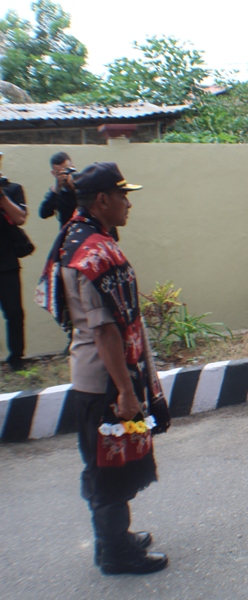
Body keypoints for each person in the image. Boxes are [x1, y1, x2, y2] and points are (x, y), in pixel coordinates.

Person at [35, 162, 170, 575]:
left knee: (118, 460)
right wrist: (127, 393)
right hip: (106, 381)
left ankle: (117, 538)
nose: (128, 204)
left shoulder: (85, 238)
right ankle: (114, 552)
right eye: (123, 196)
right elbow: (105, 331)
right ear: (102, 201)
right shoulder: (90, 253)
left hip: (110, 376)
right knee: (107, 467)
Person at [0, 153, 29, 372]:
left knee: (14, 312)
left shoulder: (12, 189)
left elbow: (20, 218)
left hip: (6, 263)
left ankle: (16, 360)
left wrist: (2, 197)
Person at [39, 151, 78, 228]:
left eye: (67, 171)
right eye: (60, 173)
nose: (65, 176)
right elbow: (44, 213)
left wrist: (74, 188)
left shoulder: (84, 184)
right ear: (53, 173)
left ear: (73, 167)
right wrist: (56, 190)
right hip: (67, 233)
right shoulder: (56, 192)